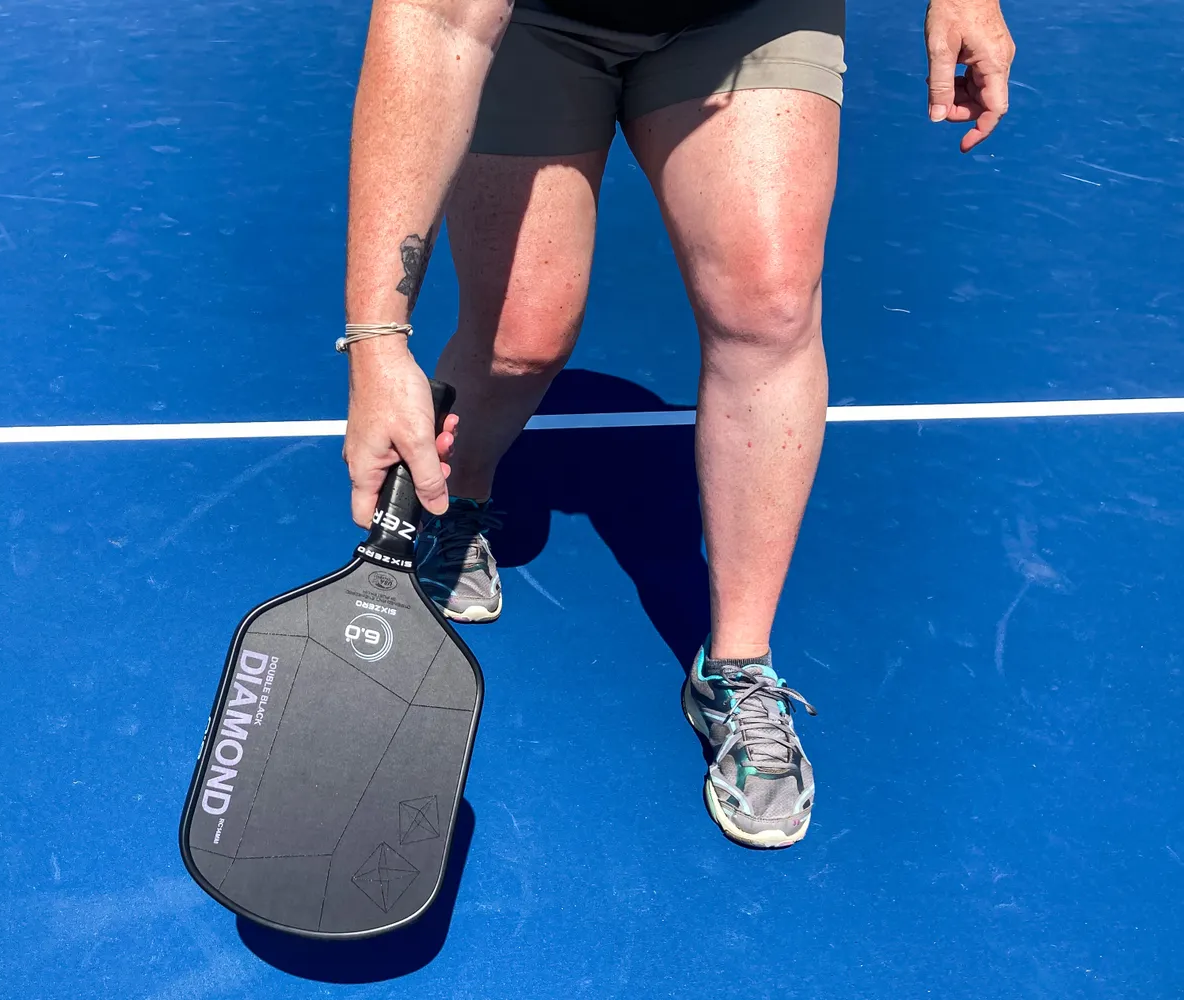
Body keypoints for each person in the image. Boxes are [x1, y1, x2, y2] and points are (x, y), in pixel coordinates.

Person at [339, 0, 1014, 847]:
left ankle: (737, 667)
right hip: (539, 20)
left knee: (768, 307)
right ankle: (462, 492)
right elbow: (434, 21)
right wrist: (375, 340)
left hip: (750, 12)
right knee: (518, 336)